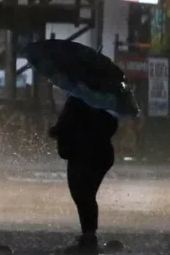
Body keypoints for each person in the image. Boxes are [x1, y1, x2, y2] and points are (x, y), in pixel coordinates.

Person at [50, 94, 119, 254]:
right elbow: (112, 126)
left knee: (81, 193)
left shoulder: (76, 100)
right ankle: (89, 234)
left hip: (80, 153)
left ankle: (89, 236)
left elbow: (63, 126)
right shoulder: (105, 99)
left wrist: (54, 130)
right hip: (102, 154)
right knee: (87, 194)